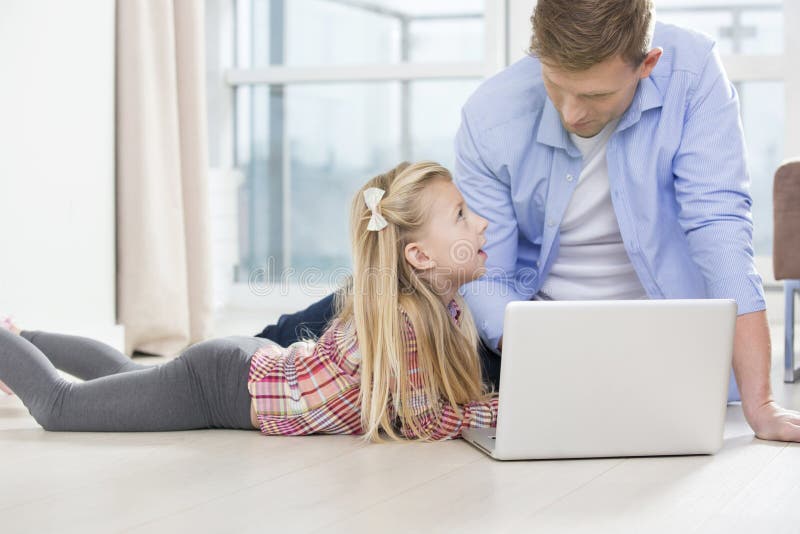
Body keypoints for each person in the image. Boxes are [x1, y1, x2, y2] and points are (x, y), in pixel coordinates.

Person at [253, 0, 800, 443]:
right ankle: (244, 355)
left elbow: (721, 226)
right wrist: (548, 361)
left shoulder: (693, 73)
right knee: (391, 291)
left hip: (659, 334)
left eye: (595, 95)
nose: (571, 114)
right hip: (524, 331)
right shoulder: (492, 113)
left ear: (648, 63)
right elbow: (485, 272)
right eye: (555, 86)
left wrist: (762, 403)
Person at [0, 162, 498, 441]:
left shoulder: (447, 311)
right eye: (461, 215)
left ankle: (20, 339)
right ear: (418, 254)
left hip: (240, 367)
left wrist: (488, 408)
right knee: (59, 407)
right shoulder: (404, 319)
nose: (481, 224)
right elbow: (422, 421)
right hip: (216, 387)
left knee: (127, 376)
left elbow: (430, 407)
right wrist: (496, 413)